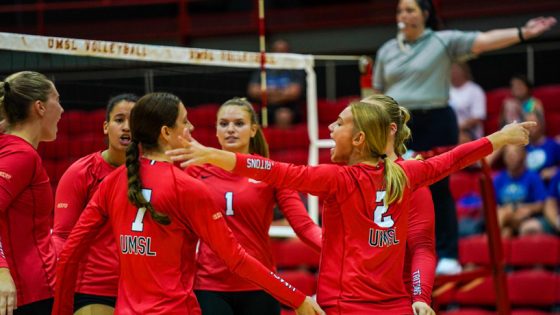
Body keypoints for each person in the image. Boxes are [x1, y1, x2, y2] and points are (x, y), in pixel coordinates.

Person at [168, 94, 534, 314]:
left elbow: (273, 170)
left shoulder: (338, 179)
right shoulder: (410, 174)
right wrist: (499, 138)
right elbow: (454, 159)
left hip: (342, 306)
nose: (329, 129)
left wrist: (213, 155)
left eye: (339, 123)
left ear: (358, 138)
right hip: (393, 306)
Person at [52, 92, 323, 315]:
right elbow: (236, 258)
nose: (192, 128)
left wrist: (60, 310)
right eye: (185, 122)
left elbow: (69, 252)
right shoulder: (189, 185)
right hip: (179, 306)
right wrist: (296, 298)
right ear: (167, 132)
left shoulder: (112, 182)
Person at [372, 0, 555, 274]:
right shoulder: (387, 50)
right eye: (399, 10)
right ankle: (398, 256)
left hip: (436, 120)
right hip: (398, 124)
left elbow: (483, 40)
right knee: (395, 190)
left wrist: (522, 33)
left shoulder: (443, 41)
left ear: (424, 14)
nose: (403, 15)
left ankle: (447, 255)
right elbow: (375, 93)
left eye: (410, 9)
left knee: (438, 188)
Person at [190, 97, 322, 315]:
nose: (230, 129)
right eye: (224, 124)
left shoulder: (270, 173)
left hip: (261, 283)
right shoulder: (196, 171)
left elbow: (304, 226)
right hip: (210, 284)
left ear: (253, 130)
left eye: (239, 123)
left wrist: (336, 248)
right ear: (215, 131)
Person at [53, 93, 137, 315]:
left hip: (143, 287)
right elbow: (62, 237)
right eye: (119, 120)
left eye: (134, 121)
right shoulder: (81, 173)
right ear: (106, 127)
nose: (127, 127)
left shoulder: (155, 173)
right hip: (95, 287)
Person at [361, 95, 435, 315]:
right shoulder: (348, 177)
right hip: (354, 300)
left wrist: (420, 297)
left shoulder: (411, 178)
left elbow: (422, 246)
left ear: (391, 128)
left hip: (394, 302)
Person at [0, 71, 64, 314]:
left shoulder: (9, 147)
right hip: (26, 293)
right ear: (40, 107)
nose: (62, 109)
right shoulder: (21, 155)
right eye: (57, 99)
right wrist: (1, 271)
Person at [247, 39, 305, 128]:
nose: (279, 54)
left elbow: (294, 93)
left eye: (282, 51)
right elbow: (252, 90)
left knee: (283, 115)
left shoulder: (295, 69)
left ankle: (282, 141)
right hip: (265, 106)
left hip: (288, 106)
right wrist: (280, 92)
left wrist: (267, 92)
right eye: (277, 51)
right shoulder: (263, 68)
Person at [494, 145, 548, 237]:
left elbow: (541, 204)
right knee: (506, 231)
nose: (511, 156)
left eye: (515, 152)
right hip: (506, 216)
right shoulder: (498, 179)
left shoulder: (533, 177)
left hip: (526, 216)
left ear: (524, 155)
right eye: (507, 153)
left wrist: (527, 208)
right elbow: (493, 205)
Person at [449, 62, 486, 142]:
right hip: (447, 130)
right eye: (451, 70)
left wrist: (456, 128)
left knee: (459, 137)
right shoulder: (445, 90)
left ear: (464, 71)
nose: (453, 73)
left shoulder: (475, 90)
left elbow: (477, 117)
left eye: (456, 70)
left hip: (468, 132)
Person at [524, 111, 560, 182]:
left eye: (533, 124)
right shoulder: (523, 149)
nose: (530, 128)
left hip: (550, 186)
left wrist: (554, 171)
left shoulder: (553, 145)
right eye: (527, 125)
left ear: (541, 124)